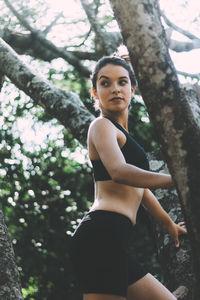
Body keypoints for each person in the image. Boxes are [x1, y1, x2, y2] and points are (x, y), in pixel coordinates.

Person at [69, 55, 187, 300]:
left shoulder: (125, 136)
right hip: (100, 235)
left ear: (132, 89)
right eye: (105, 83)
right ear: (94, 92)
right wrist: (177, 179)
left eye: (122, 82)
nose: (115, 89)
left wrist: (168, 224)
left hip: (112, 240)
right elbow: (119, 172)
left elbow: (140, 190)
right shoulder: (101, 126)